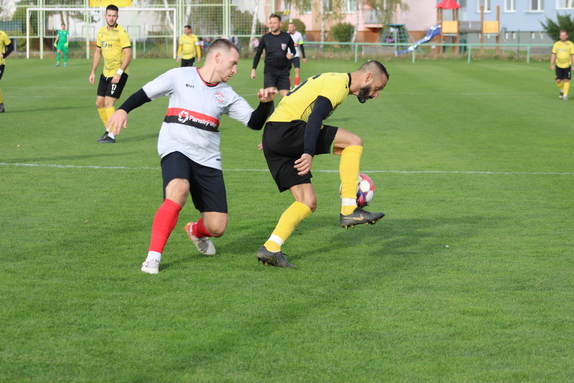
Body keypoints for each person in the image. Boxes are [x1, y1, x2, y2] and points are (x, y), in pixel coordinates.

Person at [106, 39, 276, 274]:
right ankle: (152, 258)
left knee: (217, 227)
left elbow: (255, 122)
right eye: (233, 63)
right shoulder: (179, 76)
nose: (236, 70)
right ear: (217, 58)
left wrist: (265, 104)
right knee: (178, 189)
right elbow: (145, 93)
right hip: (176, 147)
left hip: (207, 159)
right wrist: (123, 109)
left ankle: (195, 231)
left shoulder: (227, 94)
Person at [257, 60, 390, 268]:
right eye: (377, 88)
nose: (375, 94)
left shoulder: (332, 80)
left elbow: (294, 103)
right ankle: (349, 209)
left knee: (307, 201)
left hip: (276, 134)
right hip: (287, 130)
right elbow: (316, 115)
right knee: (353, 142)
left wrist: (272, 138)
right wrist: (308, 152)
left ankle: (271, 247)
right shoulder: (339, 84)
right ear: (368, 77)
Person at [88, 4, 132, 143]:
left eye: (114, 16)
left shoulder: (122, 33)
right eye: (109, 15)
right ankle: (108, 130)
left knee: (108, 102)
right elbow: (97, 52)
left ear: (117, 17)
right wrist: (93, 71)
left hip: (119, 74)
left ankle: (112, 135)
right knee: (99, 103)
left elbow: (128, 54)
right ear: (105, 16)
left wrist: (119, 72)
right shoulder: (101, 32)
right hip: (105, 73)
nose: (111, 18)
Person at [251, 14, 296, 98]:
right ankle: (270, 111)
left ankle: (282, 111)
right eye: (271, 23)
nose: (272, 25)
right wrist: (254, 69)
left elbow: (293, 50)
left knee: (286, 98)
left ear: (280, 23)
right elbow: (258, 54)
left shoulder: (286, 36)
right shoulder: (265, 38)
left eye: (274, 23)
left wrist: (291, 55)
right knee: (269, 96)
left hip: (283, 71)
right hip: (270, 71)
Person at [550, 30, 574, 100]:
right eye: (561, 35)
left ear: (567, 36)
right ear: (559, 36)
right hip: (558, 65)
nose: (562, 37)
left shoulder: (570, 44)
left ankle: (565, 95)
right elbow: (553, 54)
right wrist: (552, 64)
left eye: (564, 35)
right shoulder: (557, 44)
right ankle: (562, 90)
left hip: (567, 65)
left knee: (566, 80)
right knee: (558, 80)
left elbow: (572, 55)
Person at [287, 22, 307, 88]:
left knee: (297, 70)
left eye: (291, 27)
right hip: (287, 55)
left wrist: (304, 57)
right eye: (289, 27)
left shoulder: (299, 35)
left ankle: (296, 86)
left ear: (294, 27)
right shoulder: (285, 34)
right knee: (287, 72)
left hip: (296, 55)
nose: (290, 28)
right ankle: (289, 87)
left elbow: (301, 45)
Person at [0, 29, 14, 113]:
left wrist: (4, 55)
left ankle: (0, 105)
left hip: (0, 64)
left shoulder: (2, 34)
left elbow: (11, 47)